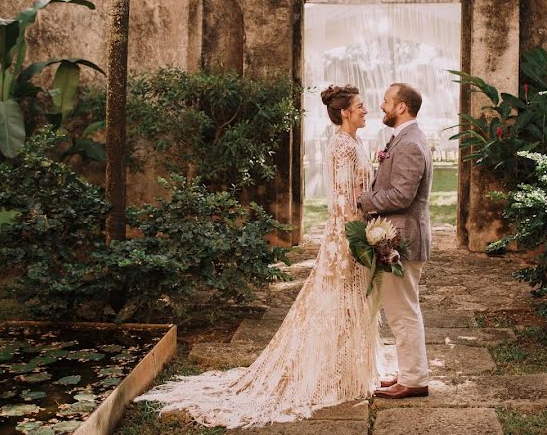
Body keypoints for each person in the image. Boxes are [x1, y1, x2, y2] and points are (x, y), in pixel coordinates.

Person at [137, 84, 384, 428]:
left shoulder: (356, 142)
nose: (366, 109)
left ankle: (349, 369)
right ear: (344, 112)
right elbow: (342, 199)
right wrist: (354, 238)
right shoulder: (342, 145)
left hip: (357, 230)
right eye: (360, 105)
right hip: (347, 235)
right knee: (335, 299)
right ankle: (331, 372)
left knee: (350, 300)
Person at [358, 83, 433, 399]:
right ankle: (408, 373)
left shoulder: (409, 144)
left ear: (402, 106)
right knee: (401, 310)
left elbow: (402, 195)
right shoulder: (404, 139)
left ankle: (414, 381)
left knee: (402, 312)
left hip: (402, 241)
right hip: (397, 239)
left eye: (387, 102)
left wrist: (364, 200)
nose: (381, 106)